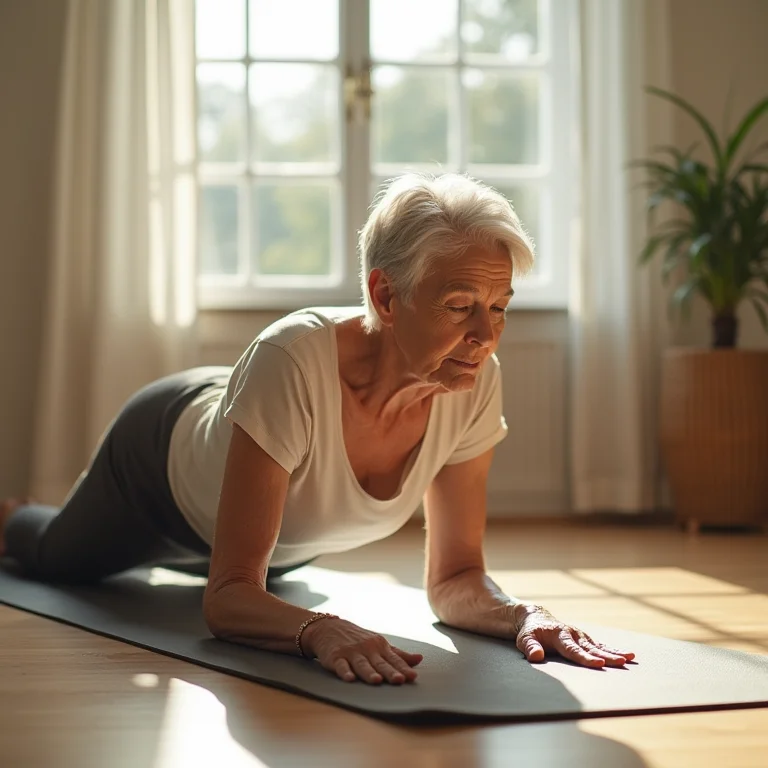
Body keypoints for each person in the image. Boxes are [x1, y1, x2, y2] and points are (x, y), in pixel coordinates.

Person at [0, 173, 634, 685]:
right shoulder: (292, 358)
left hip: (282, 537)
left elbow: (454, 580)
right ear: (385, 297)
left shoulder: (473, 378)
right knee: (57, 557)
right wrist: (318, 629)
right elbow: (227, 600)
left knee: (264, 572)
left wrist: (522, 614)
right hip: (156, 468)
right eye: (459, 305)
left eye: (499, 308)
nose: (485, 334)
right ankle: (11, 514)